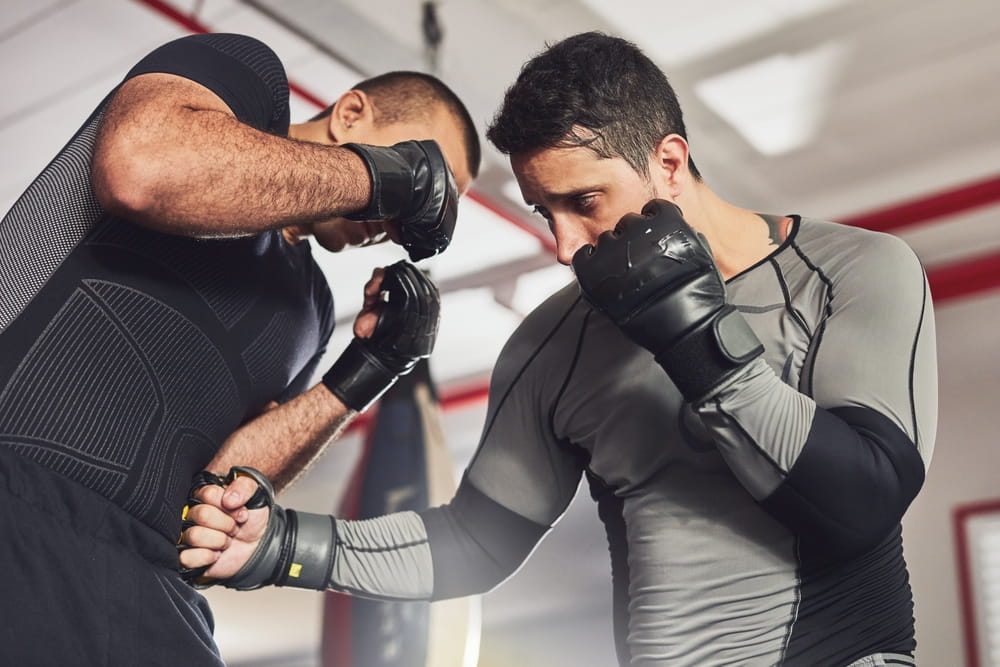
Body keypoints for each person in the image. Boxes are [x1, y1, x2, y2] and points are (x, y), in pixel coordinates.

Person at [180, 31, 937, 667]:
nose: (566, 245)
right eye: (545, 212)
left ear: (669, 163)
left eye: (585, 202)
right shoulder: (554, 338)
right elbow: (474, 541)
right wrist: (282, 545)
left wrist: (696, 338)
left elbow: (862, 504)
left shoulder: (851, 272)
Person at [0, 31, 481, 666]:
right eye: (424, 170)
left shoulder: (309, 307)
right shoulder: (245, 80)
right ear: (351, 113)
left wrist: (369, 370)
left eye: (432, 203)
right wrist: (388, 178)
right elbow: (139, 168)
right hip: (19, 495)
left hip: (148, 577)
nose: (407, 220)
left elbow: (222, 490)